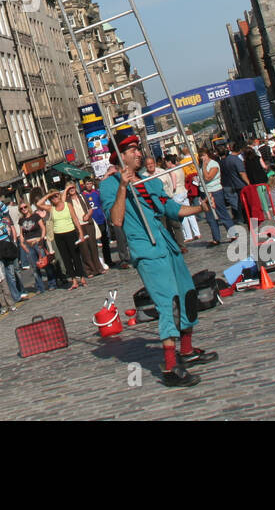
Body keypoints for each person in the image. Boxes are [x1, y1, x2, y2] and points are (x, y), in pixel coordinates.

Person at [99, 134, 217, 388]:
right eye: (132, 150)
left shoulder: (146, 180)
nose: (139, 153)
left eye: (137, 149)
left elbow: (170, 208)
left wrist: (200, 208)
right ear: (119, 156)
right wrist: (122, 186)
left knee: (186, 295)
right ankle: (169, 366)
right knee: (169, 303)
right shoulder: (108, 185)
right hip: (147, 250)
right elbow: (116, 220)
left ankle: (186, 350)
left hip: (167, 244)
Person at [36, 185, 87, 290]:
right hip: (59, 235)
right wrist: (49, 195)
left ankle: (82, 277)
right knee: (66, 258)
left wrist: (80, 233)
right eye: (52, 198)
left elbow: (75, 219)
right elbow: (38, 204)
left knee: (76, 256)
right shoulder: (51, 208)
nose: (55, 198)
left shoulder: (67, 205)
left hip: (71, 232)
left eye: (56, 196)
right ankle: (73, 280)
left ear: (59, 195)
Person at [16, 201, 55, 291]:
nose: (24, 209)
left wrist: (41, 239)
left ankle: (52, 283)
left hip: (38, 242)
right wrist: (22, 244)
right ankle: (40, 287)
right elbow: (22, 233)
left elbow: (43, 228)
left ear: (28, 207)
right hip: (29, 245)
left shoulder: (35, 216)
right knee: (34, 267)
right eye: (21, 208)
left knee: (45, 263)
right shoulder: (21, 220)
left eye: (25, 207)